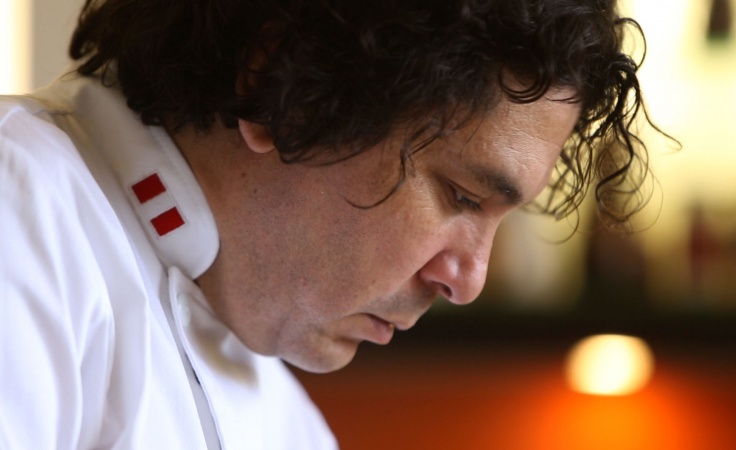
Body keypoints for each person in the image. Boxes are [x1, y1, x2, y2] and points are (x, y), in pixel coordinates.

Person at [0, 0, 655, 448]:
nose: (467, 281)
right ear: (286, 90)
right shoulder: (21, 208)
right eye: (460, 195)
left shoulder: (281, 411)